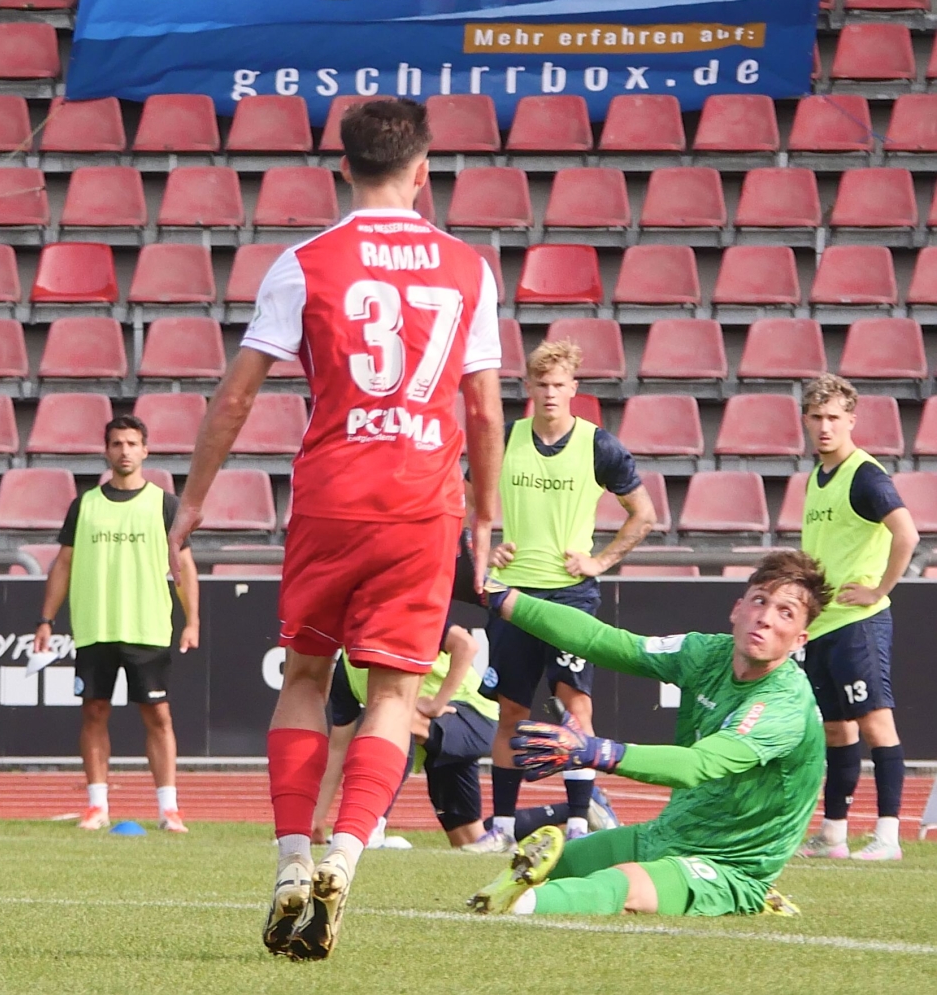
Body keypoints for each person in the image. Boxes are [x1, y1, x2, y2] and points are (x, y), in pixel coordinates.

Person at [169, 96, 504, 962]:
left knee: (307, 676)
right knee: (394, 692)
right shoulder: (468, 268)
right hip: (424, 502)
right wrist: (488, 514)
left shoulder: (305, 261)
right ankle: (347, 856)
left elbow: (237, 394)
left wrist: (194, 499)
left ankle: (292, 858)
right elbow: (483, 408)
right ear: (423, 171)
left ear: (343, 167)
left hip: (331, 495)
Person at [469, 550, 827, 920]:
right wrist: (500, 597)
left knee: (620, 884)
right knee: (561, 864)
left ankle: (515, 907)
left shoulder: (784, 704)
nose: (765, 618)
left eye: (785, 612)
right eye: (760, 601)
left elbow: (697, 765)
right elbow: (603, 641)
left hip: (729, 864)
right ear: (737, 609)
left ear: (799, 640)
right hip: (667, 834)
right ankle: (516, 898)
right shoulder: (705, 653)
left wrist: (596, 751)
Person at [477, 339, 654, 853]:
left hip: (571, 597)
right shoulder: (505, 439)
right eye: (542, 384)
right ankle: (503, 827)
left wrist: (599, 561)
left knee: (575, 708)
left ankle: (579, 821)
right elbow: (464, 504)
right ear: (528, 388)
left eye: (559, 384)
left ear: (574, 388)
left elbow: (643, 514)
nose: (551, 393)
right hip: (512, 593)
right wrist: (485, 549)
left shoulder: (599, 446)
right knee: (511, 712)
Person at [31, 415, 200, 835]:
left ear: (145, 450)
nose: (125, 451)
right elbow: (63, 564)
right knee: (94, 712)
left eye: (132, 443)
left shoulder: (165, 504)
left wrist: (192, 620)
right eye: (117, 443)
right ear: (106, 451)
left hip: (148, 626)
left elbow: (184, 566)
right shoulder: (85, 505)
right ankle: (96, 806)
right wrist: (46, 619)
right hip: (95, 626)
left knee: (158, 715)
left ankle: (169, 809)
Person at [793, 375, 918, 862]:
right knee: (836, 729)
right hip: (823, 623)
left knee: (875, 723)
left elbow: (906, 534)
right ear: (806, 420)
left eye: (833, 417)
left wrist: (878, 590)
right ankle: (833, 836)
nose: (824, 426)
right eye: (816, 417)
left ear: (851, 420)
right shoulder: (816, 476)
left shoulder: (865, 475)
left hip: (857, 623)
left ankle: (888, 836)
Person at [320, 625, 498, 849]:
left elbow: (467, 645)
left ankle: (370, 825)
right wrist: (316, 818)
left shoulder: (403, 621)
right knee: (470, 840)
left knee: (393, 718)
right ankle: (524, 826)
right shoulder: (347, 665)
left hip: (474, 716)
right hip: (433, 737)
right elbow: (338, 746)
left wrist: (436, 704)